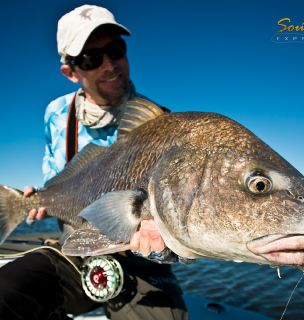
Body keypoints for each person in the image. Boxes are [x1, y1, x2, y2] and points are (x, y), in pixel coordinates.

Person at [0, 5, 187, 320]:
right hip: (77, 247)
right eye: (92, 58)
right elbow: (58, 180)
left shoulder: (160, 122)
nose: (110, 65)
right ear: (71, 72)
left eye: (116, 50)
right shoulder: (57, 115)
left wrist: (166, 244)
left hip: (141, 261)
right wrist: (38, 200)